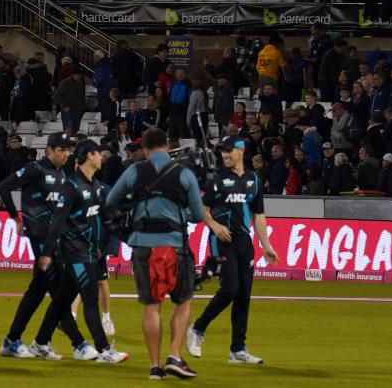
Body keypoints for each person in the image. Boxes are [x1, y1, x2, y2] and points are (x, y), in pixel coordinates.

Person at [105, 127, 205, 380]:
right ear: (167, 147)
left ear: (146, 150)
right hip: (174, 245)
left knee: (152, 305)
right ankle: (174, 355)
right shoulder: (183, 173)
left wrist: (135, 204)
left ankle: (154, 366)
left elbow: (111, 201)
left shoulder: (135, 170)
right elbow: (199, 215)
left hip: (142, 245)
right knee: (183, 301)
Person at [32, 140, 129, 363]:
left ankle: (40, 341)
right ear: (88, 156)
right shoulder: (71, 187)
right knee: (90, 298)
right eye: (98, 154)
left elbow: (106, 221)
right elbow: (57, 222)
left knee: (61, 300)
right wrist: (46, 253)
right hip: (73, 252)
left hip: (87, 250)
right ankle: (104, 349)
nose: (102, 158)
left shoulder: (95, 186)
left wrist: (129, 235)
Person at [187, 135, 279, 365]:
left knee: (243, 295)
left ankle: (238, 349)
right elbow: (201, 209)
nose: (225, 155)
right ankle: (197, 329)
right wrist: (215, 226)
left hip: (244, 243)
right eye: (222, 152)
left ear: (241, 151)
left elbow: (258, 215)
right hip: (222, 240)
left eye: (228, 151)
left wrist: (266, 245)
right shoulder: (216, 179)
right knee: (230, 289)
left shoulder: (254, 179)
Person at [0, 132, 76, 358]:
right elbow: (3, 187)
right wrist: (15, 217)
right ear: (49, 150)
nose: (66, 154)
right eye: (61, 149)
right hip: (39, 237)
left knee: (38, 291)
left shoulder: (61, 173)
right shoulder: (34, 169)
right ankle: (79, 343)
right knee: (59, 291)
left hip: (53, 237)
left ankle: (13, 340)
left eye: (67, 150)